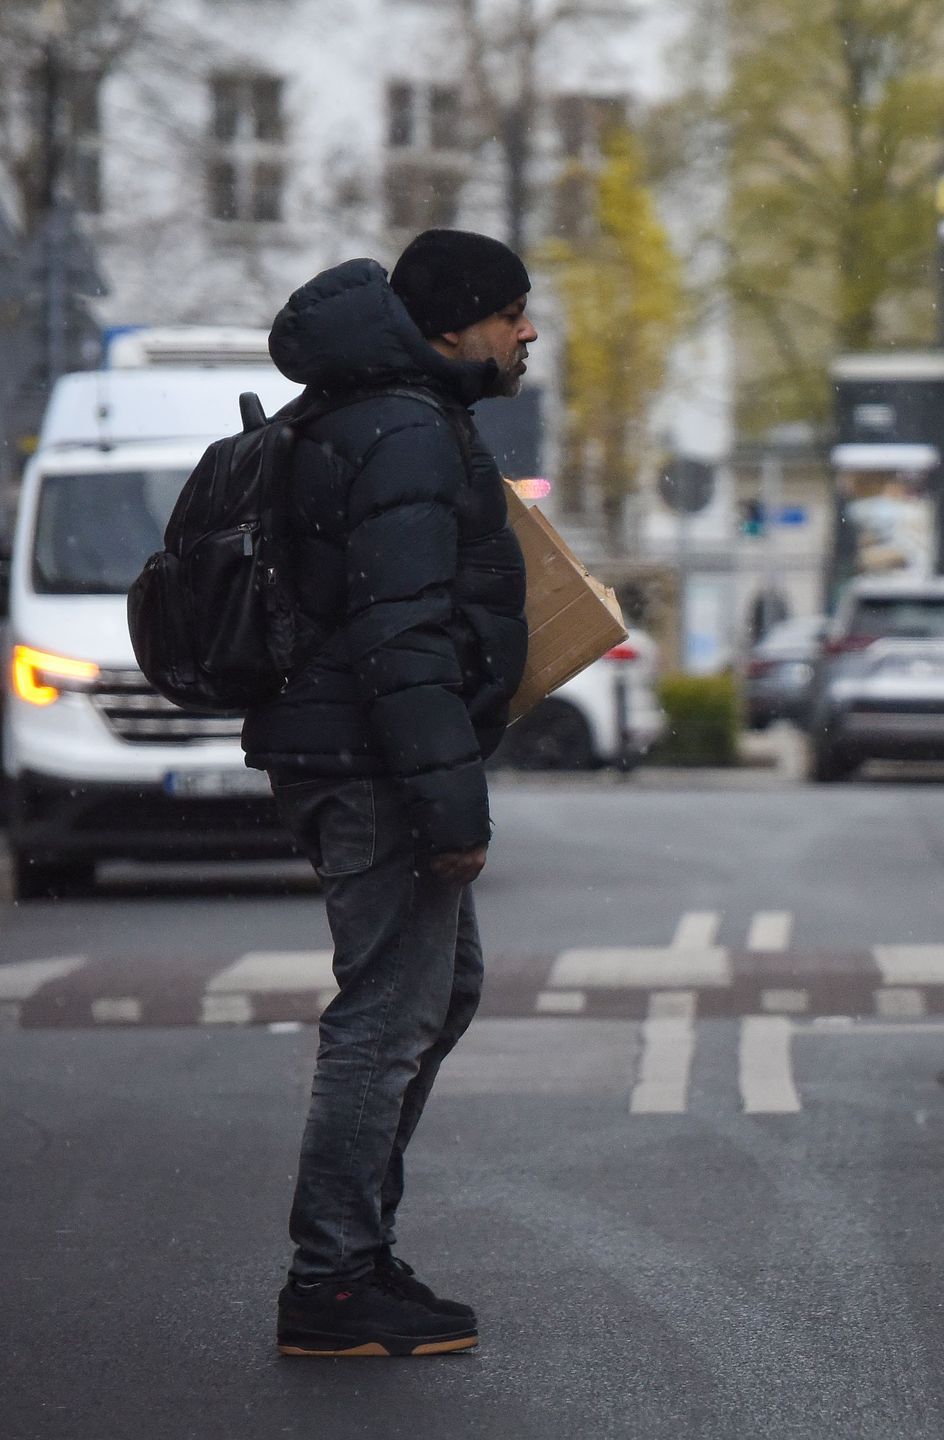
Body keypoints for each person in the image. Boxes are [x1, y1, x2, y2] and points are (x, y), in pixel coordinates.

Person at [246, 230, 536, 1357]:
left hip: (346, 754)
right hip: (371, 766)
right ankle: (331, 1278)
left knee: (437, 993)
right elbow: (400, 633)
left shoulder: (373, 411)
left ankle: (355, 1250)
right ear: (456, 324)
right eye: (512, 312)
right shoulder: (406, 429)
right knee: (387, 1017)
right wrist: (449, 808)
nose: (526, 332)